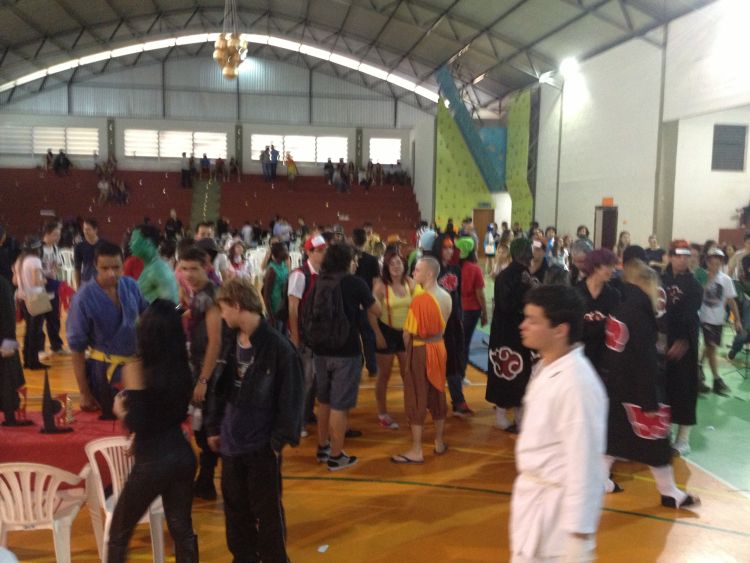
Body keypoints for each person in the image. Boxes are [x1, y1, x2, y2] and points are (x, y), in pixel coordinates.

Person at [206, 277, 304, 562]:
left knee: (267, 513)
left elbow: (291, 398)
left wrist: (277, 442)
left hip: (261, 447)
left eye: (224, 308)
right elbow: (219, 388)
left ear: (237, 306)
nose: (222, 315)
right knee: (235, 512)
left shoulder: (278, 348)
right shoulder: (231, 342)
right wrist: (214, 427)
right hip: (231, 444)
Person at [510, 285, 607, 563]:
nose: (523, 326)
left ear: (560, 330)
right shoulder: (546, 367)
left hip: (557, 527)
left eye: (533, 320)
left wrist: (579, 537)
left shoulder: (577, 383)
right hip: (534, 507)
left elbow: (586, 463)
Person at [602, 260, 700, 509]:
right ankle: (669, 492)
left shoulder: (621, 308)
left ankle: (600, 480)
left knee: (615, 438)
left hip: (618, 386)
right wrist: (650, 399)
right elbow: (644, 360)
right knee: (656, 443)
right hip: (639, 390)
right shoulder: (640, 315)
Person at [108, 299, 198, 562]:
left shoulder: (136, 369)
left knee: (119, 532)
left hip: (153, 461)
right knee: (182, 531)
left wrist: (120, 411)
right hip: (182, 454)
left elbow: (139, 421)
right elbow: (168, 414)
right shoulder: (184, 368)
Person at [310, 244, 380, 471]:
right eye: (353, 259)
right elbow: (377, 310)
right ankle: (336, 455)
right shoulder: (355, 283)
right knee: (339, 405)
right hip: (346, 351)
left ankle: (323, 447)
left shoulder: (320, 281)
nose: (356, 263)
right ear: (346, 261)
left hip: (321, 350)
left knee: (324, 401)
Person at [66, 242, 149, 416]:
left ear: (123, 264)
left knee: (140, 418)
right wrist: (84, 393)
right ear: (95, 266)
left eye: (116, 267)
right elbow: (77, 350)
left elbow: (151, 313)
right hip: (104, 373)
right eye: (105, 268)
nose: (111, 273)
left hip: (135, 367)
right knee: (115, 420)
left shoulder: (131, 286)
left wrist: (178, 308)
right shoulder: (82, 298)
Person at [390, 256, 450, 464]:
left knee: (417, 395)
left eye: (417, 270)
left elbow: (408, 333)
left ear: (429, 274)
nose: (413, 273)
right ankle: (439, 442)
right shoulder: (446, 297)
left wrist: (408, 354)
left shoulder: (420, 300)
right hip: (439, 348)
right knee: (438, 392)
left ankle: (416, 450)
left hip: (420, 350)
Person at [178, 246, 223, 500]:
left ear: (206, 267)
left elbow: (215, 342)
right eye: (184, 268)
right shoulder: (199, 294)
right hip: (198, 367)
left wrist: (204, 380)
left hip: (211, 373)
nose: (188, 274)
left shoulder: (211, 296)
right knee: (201, 428)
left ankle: (207, 480)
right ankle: (205, 480)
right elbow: (193, 314)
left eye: (194, 268)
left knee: (208, 429)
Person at [487, 238, 537, 431]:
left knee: (513, 373)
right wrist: (526, 289)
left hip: (508, 330)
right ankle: (505, 415)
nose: (530, 256)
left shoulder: (511, 275)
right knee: (510, 372)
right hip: (511, 331)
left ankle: (515, 415)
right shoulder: (516, 276)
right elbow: (508, 305)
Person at [661, 241, 703, 456]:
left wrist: (683, 340)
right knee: (665, 386)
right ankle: (665, 431)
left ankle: (684, 438)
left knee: (685, 387)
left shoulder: (694, 285)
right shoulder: (660, 279)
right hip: (663, 341)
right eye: (678, 256)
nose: (682, 260)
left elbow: (689, 315)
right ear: (670, 257)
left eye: (686, 256)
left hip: (685, 344)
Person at [370, 249, 414, 430]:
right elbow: (371, 313)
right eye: (392, 263)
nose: (396, 266)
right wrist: (378, 335)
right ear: (386, 267)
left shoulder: (410, 282)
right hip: (386, 333)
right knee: (384, 375)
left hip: (406, 334)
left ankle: (411, 409)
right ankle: (382, 413)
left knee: (408, 375)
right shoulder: (381, 286)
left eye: (399, 263)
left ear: (404, 265)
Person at [288, 234, 327, 436]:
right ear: (309, 252)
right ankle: (298, 422)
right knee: (306, 379)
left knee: (315, 378)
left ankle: (308, 413)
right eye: (319, 251)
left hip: (317, 335)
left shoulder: (322, 274)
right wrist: (295, 336)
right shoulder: (300, 275)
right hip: (304, 336)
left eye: (324, 250)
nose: (323, 254)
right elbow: (293, 307)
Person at [430, 234, 473, 418]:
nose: (449, 251)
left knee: (454, 360)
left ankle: (458, 400)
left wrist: (460, 317)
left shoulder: (455, 269)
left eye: (451, 247)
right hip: (435, 323)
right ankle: (433, 402)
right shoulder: (431, 269)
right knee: (435, 363)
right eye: (445, 247)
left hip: (454, 322)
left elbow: (458, 294)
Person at [698, 247, 741, 396]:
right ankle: (717, 379)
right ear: (707, 262)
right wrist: (707, 282)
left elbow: (731, 301)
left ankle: (699, 365)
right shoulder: (702, 277)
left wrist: (737, 320)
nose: (714, 266)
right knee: (711, 347)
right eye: (712, 263)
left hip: (718, 319)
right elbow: (697, 295)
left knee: (710, 346)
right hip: (705, 318)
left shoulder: (726, 280)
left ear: (721, 263)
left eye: (717, 263)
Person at [576, 249, 620, 375]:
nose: (613, 270)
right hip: (580, 357)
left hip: (604, 358)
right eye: (609, 266)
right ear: (596, 267)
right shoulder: (575, 293)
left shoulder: (613, 295)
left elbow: (615, 328)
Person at [0, 274, 31, 426]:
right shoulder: (3, 284)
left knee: (7, 377)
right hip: (5, 339)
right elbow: (8, 317)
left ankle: (10, 415)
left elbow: (8, 317)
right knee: (8, 377)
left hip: (4, 338)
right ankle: (10, 415)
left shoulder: (3, 284)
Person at [455, 237, 488, 380]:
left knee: (456, 341)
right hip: (471, 310)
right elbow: (480, 294)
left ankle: (454, 372)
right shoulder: (475, 269)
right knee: (465, 342)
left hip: (456, 309)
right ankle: (460, 374)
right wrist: (485, 313)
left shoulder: (453, 268)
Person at [14, 237, 48, 370]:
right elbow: (36, 282)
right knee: (36, 331)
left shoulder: (19, 260)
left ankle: (27, 360)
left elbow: (15, 281)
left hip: (23, 297)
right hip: (37, 296)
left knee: (29, 330)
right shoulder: (35, 260)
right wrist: (45, 279)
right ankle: (34, 362)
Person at [352, 228, 380, 379]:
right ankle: (372, 366)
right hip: (366, 302)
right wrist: (369, 301)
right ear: (366, 240)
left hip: (351, 303)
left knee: (354, 336)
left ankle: (358, 364)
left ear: (352, 239)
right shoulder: (373, 259)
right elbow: (375, 283)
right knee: (368, 335)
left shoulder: (349, 258)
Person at [129, 224, 179, 304]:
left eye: (133, 240)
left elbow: (171, 305)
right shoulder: (151, 267)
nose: (130, 244)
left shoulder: (159, 270)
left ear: (148, 242)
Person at [40, 222, 67, 356]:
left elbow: (58, 265)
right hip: (39, 288)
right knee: (39, 320)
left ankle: (56, 346)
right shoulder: (38, 249)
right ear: (47, 233)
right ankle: (39, 349)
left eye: (59, 234)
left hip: (52, 286)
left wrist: (55, 272)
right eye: (55, 234)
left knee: (54, 318)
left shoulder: (56, 249)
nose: (58, 237)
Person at [262, 242, 289, 333]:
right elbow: (266, 294)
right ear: (278, 253)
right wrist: (271, 316)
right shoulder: (272, 270)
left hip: (283, 305)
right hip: (275, 308)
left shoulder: (283, 265)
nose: (287, 252)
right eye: (285, 250)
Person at [73, 217, 100, 287]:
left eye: (88, 229)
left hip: (101, 281)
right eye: (84, 229)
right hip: (86, 280)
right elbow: (77, 268)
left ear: (95, 230)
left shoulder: (104, 245)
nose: (85, 232)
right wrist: (78, 287)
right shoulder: (79, 247)